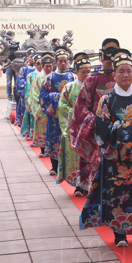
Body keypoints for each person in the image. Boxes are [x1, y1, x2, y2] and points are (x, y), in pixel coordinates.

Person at [79, 48, 132, 248]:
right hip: (116, 159)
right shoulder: (107, 100)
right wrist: (124, 129)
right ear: (114, 75)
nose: (126, 75)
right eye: (121, 71)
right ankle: (119, 233)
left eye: (129, 71)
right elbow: (101, 127)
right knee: (117, 195)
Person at [71, 38, 119, 184]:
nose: (110, 60)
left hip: (120, 130)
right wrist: (96, 121)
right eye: (107, 56)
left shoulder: (124, 78)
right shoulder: (91, 80)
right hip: (97, 130)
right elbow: (81, 107)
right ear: (101, 57)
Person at [57, 52, 93, 195]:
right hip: (75, 128)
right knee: (76, 157)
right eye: (83, 72)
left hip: (90, 129)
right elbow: (62, 106)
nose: (86, 75)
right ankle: (78, 185)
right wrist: (76, 113)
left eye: (88, 72)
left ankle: (88, 184)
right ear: (76, 72)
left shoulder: (92, 87)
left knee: (88, 157)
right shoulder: (69, 88)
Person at [40, 47, 75, 172]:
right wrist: (58, 97)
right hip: (54, 115)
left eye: (65, 61)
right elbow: (43, 97)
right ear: (56, 63)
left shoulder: (73, 78)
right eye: (60, 61)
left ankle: (69, 166)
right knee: (54, 139)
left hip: (69, 116)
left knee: (68, 139)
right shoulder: (49, 78)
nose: (63, 63)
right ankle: (54, 166)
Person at [20, 55, 42, 140]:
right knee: (33, 117)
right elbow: (28, 88)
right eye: (38, 63)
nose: (40, 65)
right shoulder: (30, 75)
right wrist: (28, 100)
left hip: (43, 100)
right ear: (35, 64)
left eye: (41, 63)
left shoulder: (48, 76)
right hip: (33, 99)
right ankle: (32, 134)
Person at [28, 57, 48, 149]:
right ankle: (43, 149)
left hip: (53, 108)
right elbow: (34, 94)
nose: (49, 68)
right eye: (46, 66)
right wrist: (38, 107)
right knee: (41, 128)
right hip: (41, 108)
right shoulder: (36, 77)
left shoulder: (53, 77)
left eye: (50, 66)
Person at [14, 54, 35, 127]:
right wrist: (29, 86)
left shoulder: (39, 69)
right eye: (30, 57)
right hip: (25, 96)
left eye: (33, 57)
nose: (32, 59)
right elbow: (20, 82)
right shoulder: (23, 69)